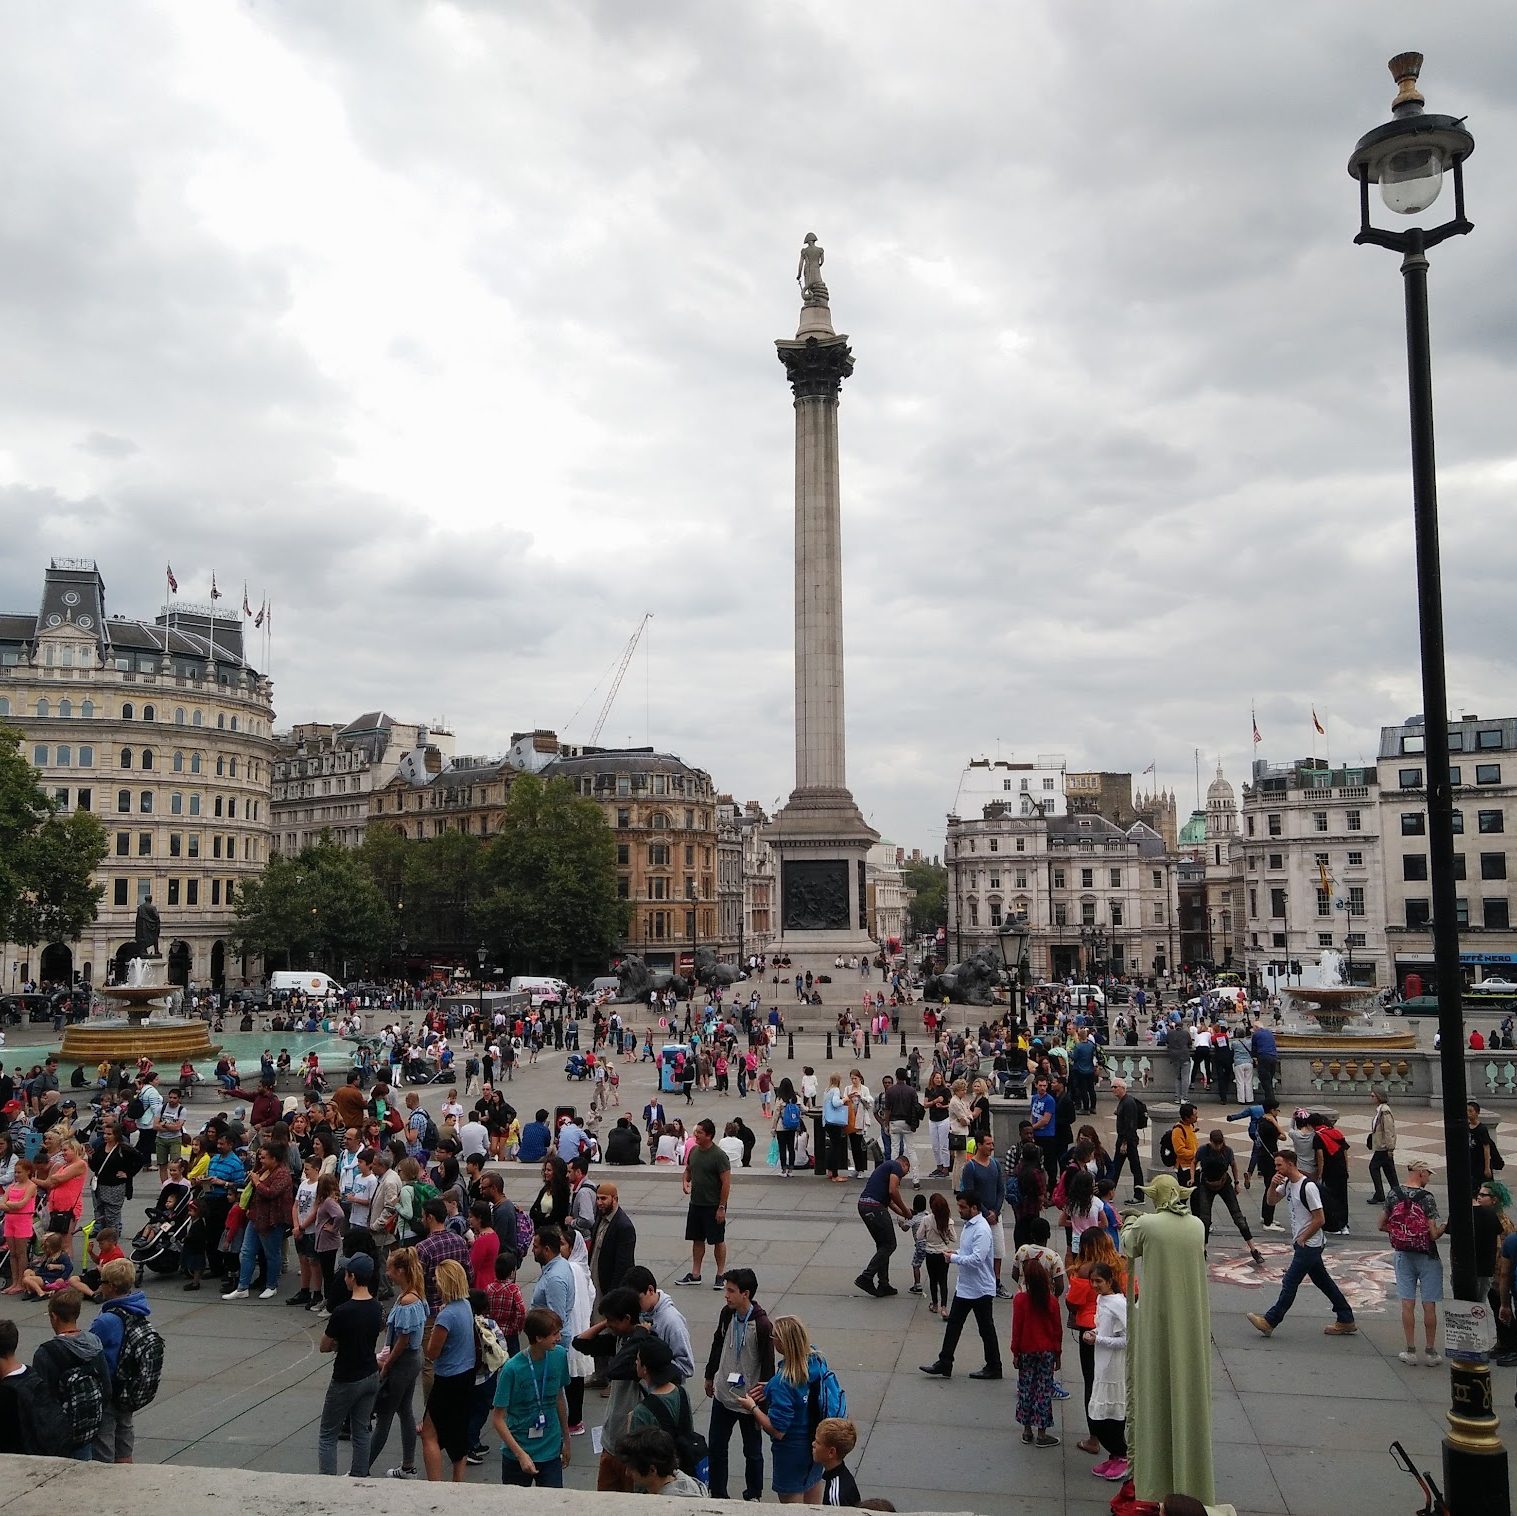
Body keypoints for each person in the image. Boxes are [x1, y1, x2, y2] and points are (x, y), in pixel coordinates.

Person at [1248, 1149, 1357, 1339]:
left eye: (1279, 1165)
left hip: (1310, 1244)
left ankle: (1270, 1321)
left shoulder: (1308, 1187)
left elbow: (1320, 1218)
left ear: (1290, 1164)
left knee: (1290, 1281)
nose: (1277, 1169)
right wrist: (1272, 1186)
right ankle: (1346, 1318)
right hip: (1303, 1242)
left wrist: (1304, 1238)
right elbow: (1271, 1201)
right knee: (1322, 1280)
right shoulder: (1289, 1183)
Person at [735, 1314, 832, 1504]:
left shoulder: (783, 1382)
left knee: (791, 1506)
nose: (771, 1340)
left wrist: (753, 1407)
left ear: (783, 1342)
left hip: (791, 1453)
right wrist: (770, 1387)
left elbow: (778, 1430)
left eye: (774, 1337)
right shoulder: (816, 1361)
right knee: (814, 1504)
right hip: (815, 1443)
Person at [703, 1266, 773, 1501]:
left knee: (752, 1452)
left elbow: (768, 1366)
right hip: (724, 1393)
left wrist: (762, 1400)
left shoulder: (762, 1326)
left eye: (731, 1291)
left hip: (748, 1400)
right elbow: (716, 1343)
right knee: (716, 1447)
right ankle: (718, 1492)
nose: (726, 1295)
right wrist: (710, 1375)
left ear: (746, 1293)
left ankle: (753, 1494)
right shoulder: (727, 1314)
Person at [919, 1191, 1002, 1381]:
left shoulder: (981, 1229)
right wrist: (955, 1252)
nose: (960, 1210)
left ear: (974, 1208)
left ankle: (994, 1365)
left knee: (986, 1329)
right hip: (966, 1286)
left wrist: (954, 1258)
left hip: (980, 1289)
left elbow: (978, 1259)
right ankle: (945, 1362)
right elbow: (969, 1252)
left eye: (963, 1207)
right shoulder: (970, 1226)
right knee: (954, 1325)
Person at [317, 1254, 383, 1477]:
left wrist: (339, 1343)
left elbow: (324, 1346)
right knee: (361, 1430)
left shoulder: (342, 1312)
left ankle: (327, 1482)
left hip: (346, 1377)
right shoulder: (376, 1308)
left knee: (328, 1433)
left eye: (346, 1274)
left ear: (352, 1277)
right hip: (370, 1374)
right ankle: (359, 1475)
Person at [492, 1306, 571, 1487]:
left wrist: (566, 1440)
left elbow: (559, 1398)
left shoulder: (559, 1356)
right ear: (538, 1338)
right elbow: (497, 1419)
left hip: (551, 1451)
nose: (559, 1338)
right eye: (554, 1334)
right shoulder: (512, 1369)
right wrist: (520, 1455)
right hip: (518, 1454)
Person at [1379, 1159, 1446, 1366]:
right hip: (1427, 1255)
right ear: (1420, 1172)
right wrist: (1444, 1226)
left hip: (1402, 1253)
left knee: (1407, 1303)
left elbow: (1381, 1225)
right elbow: (1433, 1234)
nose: (1428, 1178)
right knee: (1429, 1304)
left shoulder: (1393, 1194)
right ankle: (1431, 1351)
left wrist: (1402, 1233)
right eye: (1428, 1174)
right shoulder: (1426, 1198)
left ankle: (1409, 1349)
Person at [32, 1287, 111, 1460]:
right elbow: (106, 1388)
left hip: (59, 1433)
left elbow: (41, 1400)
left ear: (53, 1316)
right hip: (87, 1426)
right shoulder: (94, 1343)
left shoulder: (46, 1353)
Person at [368, 1247, 427, 1479]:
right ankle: (408, 1465)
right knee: (405, 1411)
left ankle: (361, 1467)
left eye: (391, 1268)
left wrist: (387, 1365)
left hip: (402, 1363)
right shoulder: (415, 1294)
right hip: (412, 1361)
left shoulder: (406, 1301)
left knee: (384, 1416)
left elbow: (402, 1340)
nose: (388, 1273)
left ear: (401, 1270)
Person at [88, 1257, 152, 1464]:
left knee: (104, 1438)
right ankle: (126, 1469)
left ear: (112, 1287)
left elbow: (90, 1348)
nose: (100, 1286)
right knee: (125, 1431)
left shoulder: (107, 1320)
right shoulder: (138, 1310)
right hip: (129, 1387)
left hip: (110, 1387)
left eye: (103, 1282)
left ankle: (107, 1480)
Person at [419, 1258, 477, 1481]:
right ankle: (458, 1481)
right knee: (458, 1430)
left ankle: (436, 1484)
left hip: (447, 1378)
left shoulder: (446, 1315)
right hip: (466, 1373)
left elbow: (432, 1353)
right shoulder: (465, 1305)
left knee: (429, 1433)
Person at [1084, 1262, 1129, 1481]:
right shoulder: (1102, 1300)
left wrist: (1098, 1339)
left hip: (1114, 1369)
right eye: (1092, 1281)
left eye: (1098, 1282)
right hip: (1101, 1366)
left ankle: (1122, 1456)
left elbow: (1128, 1339)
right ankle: (1115, 1455)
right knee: (1099, 1417)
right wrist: (1094, 1333)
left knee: (1109, 1418)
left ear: (1110, 1281)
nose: (1094, 1286)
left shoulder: (1119, 1303)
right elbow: (1104, 1328)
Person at [1192, 1130, 1265, 1266]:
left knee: (1238, 1217)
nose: (1218, 1147)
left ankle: (1253, 1249)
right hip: (1207, 1184)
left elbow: (1233, 1165)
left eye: (1220, 1144)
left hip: (1224, 1183)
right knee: (1205, 1219)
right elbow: (1194, 1162)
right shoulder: (1203, 1150)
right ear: (1211, 1141)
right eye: (1216, 1144)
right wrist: (1192, 1178)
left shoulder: (1227, 1151)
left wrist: (1237, 1182)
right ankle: (1203, 1249)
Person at [1010, 1255, 1061, 1448]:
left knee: (1026, 1389)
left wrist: (1015, 1352)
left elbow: (1017, 1328)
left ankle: (1026, 1430)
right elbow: (1057, 1330)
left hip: (1026, 1349)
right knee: (1043, 1390)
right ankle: (1042, 1432)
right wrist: (1058, 1354)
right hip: (1046, 1350)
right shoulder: (1051, 1302)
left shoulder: (1021, 1300)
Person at [676, 1119, 730, 1288]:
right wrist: (685, 1181)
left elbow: (726, 1183)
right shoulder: (693, 1151)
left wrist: (721, 1207)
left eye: (699, 1133)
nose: (695, 1135)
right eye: (695, 1132)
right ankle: (695, 1274)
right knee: (697, 1239)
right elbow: (688, 1170)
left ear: (709, 1135)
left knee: (717, 1240)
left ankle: (720, 1275)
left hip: (713, 1205)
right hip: (696, 1203)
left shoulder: (719, 1156)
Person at [855, 1151, 913, 1298]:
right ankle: (866, 1277)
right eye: (907, 1170)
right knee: (890, 1244)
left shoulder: (885, 1169)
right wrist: (906, 1211)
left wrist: (906, 1213)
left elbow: (891, 1203)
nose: (904, 1175)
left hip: (865, 1205)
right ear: (905, 1164)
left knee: (883, 1245)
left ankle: (884, 1283)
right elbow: (893, 1191)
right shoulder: (895, 1166)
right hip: (874, 1207)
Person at [620, 1424, 707, 1497]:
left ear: (652, 1470)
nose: (627, 1473)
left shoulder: (667, 1506)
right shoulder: (685, 1482)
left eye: (631, 1468)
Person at [918, 1192, 955, 1317]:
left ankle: (934, 1304)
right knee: (943, 1280)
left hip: (930, 1253)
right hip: (943, 1253)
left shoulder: (926, 1220)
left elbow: (919, 1236)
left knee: (933, 1280)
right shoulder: (948, 1221)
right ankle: (944, 1308)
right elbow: (954, 1238)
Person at [1110, 1078, 1146, 1200]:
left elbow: (1130, 1125)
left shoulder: (1128, 1103)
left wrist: (1124, 1143)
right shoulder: (1124, 1101)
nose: (1113, 1089)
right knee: (1116, 1167)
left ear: (1122, 1088)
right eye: (1112, 1087)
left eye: (1115, 1087)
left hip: (1127, 1140)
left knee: (1133, 1168)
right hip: (1125, 1139)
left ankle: (1139, 1195)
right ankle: (1110, 1192)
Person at [814, 1417, 860, 1507]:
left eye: (818, 1442)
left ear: (831, 1452)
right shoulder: (843, 1475)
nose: (813, 1444)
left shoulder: (834, 1496)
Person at [1365, 1087, 1398, 1205]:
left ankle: (1380, 1194)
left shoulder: (1384, 1111)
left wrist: (1390, 1147)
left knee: (1373, 1167)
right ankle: (1397, 1194)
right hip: (1382, 1146)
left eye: (1373, 1096)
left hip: (1383, 1147)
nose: (1371, 1097)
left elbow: (1389, 1130)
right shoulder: (1380, 1110)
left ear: (1379, 1097)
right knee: (1389, 1171)